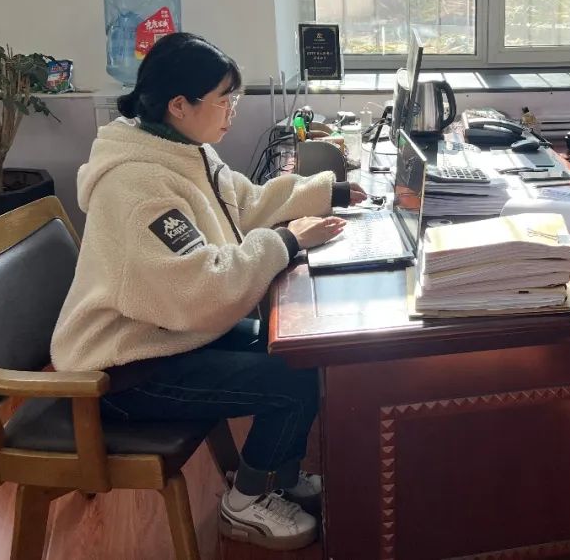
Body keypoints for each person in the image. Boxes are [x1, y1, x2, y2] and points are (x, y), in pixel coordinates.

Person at [51, 32, 365, 551]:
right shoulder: (137, 186)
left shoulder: (181, 149)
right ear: (179, 104)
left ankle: (278, 475)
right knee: (292, 382)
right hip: (122, 369)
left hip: (165, 334)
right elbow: (200, 290)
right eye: (224, 100)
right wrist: (287, 241)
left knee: (296, 352)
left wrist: (327, 192)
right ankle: (246, 502)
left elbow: (245, 203)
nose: (233, 112)